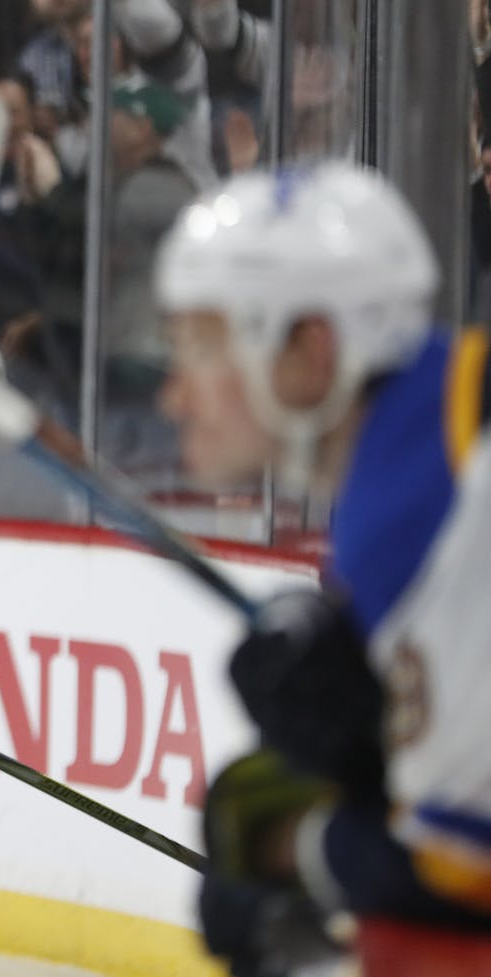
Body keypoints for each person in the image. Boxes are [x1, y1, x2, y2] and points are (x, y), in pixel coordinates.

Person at [154, 161, 491, 976]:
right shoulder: (430, 435)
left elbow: (463, 873)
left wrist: (299, 849)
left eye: (203, 345)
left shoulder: (417, 509)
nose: (175, 395)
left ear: (309, 351)